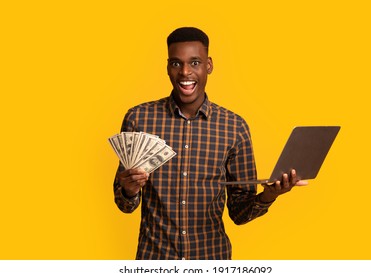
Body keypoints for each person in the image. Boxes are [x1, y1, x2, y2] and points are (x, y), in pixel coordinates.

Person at [113, 27, 307, 260]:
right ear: (167, 68)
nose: (185, 72)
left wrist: (269, 195)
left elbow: (239, 213)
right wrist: (129, 190)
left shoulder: (234, 127)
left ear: (209, 65)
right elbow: (124, 205)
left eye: (194, 63)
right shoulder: (139, 119)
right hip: (154, 260)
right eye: (176, 64)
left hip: (212, 260)